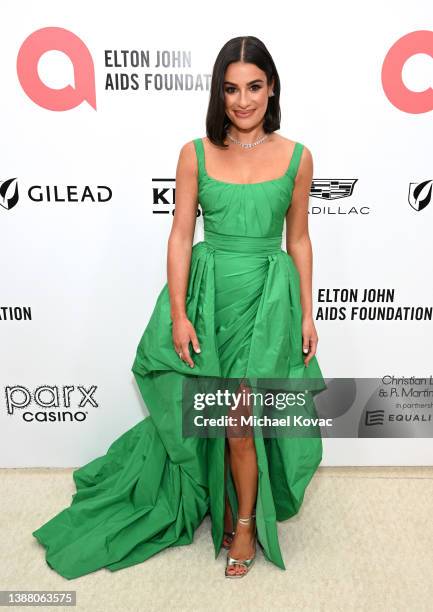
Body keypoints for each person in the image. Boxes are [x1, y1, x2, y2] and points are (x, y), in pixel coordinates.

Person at [32, 35, 326, 580]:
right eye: (231, 88)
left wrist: (307, 313)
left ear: (272, 88)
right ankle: (221, 498)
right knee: (215, 415)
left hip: (266, 301)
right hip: (209, 295)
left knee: (241, 422)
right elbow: (180, 233)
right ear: (218, 92)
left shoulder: (298, 157)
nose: (242, 101)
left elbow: (300, 240)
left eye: (254, 87)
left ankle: (243, 523)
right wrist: (178, 314)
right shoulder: (194, 153)